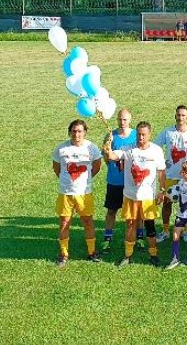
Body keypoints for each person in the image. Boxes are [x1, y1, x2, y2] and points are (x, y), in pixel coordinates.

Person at [103, 121, 167, 267]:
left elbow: (162, 172)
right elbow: (112, 156)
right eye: (138, 134)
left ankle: (153, 255)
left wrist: (162, 191)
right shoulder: (128, 149)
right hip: (130, 196)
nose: (140, 137)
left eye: (144, 134)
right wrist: (108, 147)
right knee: (130, 225)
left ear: (150, 134)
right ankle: (128, 255)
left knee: (150, 226)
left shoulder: (156, 150)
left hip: (147, 198)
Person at [52, 119, 103, 266]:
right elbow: (57, 168)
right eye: (74, 131)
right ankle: (63, 253)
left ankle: (92, 252)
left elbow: (97, 166)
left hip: (84, 193)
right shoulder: (61, 149)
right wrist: (67, 181)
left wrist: (85, 180)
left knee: (88, 222)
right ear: (69, 132)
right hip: (65, 193)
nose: (77, 134)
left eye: (80, 131)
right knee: (64, 223)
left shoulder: (91, 148)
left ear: (85, 132)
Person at [155, 106, 187, 243]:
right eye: (178, 115)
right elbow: (156, 147)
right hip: (170, 174)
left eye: (183, 115)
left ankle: (186, 231)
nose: (181, 118)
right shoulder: (167, 132)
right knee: (167, 202)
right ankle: (165, 230)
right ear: (175, 116)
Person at [101, 108, 138, 253]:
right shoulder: (111, 136)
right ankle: (107, 238)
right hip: (114, 181)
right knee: (112, 210)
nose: (122, 122)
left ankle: (138, 237)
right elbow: (106, 157)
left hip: (132, 181)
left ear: (130, 120)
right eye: (120, 119)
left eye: (125, 119)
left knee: (135, 212)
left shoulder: (136, 135)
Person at [166, 160, 187, 269]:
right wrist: (168, 196)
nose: (184, 173)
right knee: (176, 235)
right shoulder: (180, 182)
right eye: (183, 170)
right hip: (181, 214)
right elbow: (175, 193)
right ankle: (174, 258)